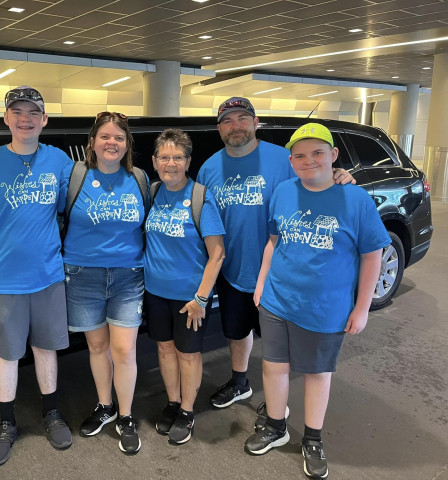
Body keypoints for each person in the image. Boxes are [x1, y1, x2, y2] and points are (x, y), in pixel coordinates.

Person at [243, 123, 390, 478]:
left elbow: (373, 255)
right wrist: (261, 284)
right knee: (273, 367)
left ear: (333, 156)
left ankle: (312, 438)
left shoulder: (355, 199)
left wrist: (362, 307)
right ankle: (275, 426)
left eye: (318, 153)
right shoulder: (282, 191)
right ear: (291, 160)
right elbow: (273, 242)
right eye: (300, 156)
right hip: (278, 299)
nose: (309, 161)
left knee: (316, 374)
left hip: (326, 307)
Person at [197, 97, 354, 413]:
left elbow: (317, 184)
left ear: (256, 124)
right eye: (228, 120)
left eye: (243, 118)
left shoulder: (284, 160)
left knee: (279, 342)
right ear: (219, 129)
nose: (236, 125)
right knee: (237, 332)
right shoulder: (208, 168)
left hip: (281, 272)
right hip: (232, 270)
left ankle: (277, 401)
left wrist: (341, 177)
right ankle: (240, 382)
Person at [0, 85, 73, 467]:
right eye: (17, 112)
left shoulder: (59, 161)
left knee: (47, 347)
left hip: (48, 275)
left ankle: (51, 412)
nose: (25, 119)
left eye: (33, 113)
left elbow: (71, 208)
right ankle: (7, 423)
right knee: (7, 354)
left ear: (44, 120)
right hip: (1, 278)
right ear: (6, 118)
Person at [63, 111, 147, 455]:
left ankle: (125, 415)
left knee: (124, 350)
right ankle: (105, 406)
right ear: (92, 143)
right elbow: (40, 211)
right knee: (97, 348)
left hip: (129, 276)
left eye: (119, 138)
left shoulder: (139, 178)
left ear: (127, 145)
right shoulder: (75, 176)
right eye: (105, 136)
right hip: (83, 275)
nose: (111, 143)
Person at [143, 129, 225, 445]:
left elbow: (217, 253)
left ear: (188, 161)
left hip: (190, 298)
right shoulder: (152, 192)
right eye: (164, 157)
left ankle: (188, 411)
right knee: (164, 348)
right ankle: (173, 402)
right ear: (154, 161)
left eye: (178, 157)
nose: (171, 163)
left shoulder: (201, 198)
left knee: (188, 354)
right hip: (155, 292)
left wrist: (201, 298)